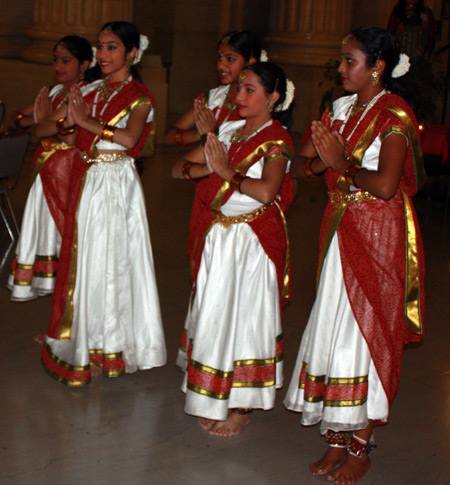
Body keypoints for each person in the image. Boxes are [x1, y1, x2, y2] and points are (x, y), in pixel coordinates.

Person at [284, 27, 425, 484]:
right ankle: (335, 440)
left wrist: (341, 162)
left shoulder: (394, 113)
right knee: (333, 329)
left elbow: (385, 185)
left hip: (379, 233)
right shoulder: (340, 108)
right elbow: (306, 162)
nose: (341, 69)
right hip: (341, 229)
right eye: (341, 60)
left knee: (364, 337)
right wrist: (323, 157)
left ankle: (361, 448)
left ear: (377, 67)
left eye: (349, 61)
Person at [38, 21, 166, 386]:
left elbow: (128, 137)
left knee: (111, 262)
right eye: (100, 46)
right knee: (84, 259)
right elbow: (54, 127)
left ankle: (111, 344)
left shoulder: (141, 96)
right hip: (88, 178)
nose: (102, 54)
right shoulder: (90, 88)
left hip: (115, 183)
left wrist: (86, 123)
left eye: (111, 47)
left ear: (131, 53)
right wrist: (53, 123)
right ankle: (82, 338)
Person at [172, 62, 296, 436]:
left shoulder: (278, 141)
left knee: (244, 320)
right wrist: (207, 168)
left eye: (250, 90)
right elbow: (179, 168)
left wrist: (223, 172)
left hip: (251, 242)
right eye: (238, 89)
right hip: (220, 237)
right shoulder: (229, 131)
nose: (238, 96)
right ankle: (213, 394)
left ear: (273, 98)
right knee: (215, 316)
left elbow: (265, 192)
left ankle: (242, 407)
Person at [8, 35, 98, 302]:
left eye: (66, 60)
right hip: (48, 169)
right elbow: (19, 117)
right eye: (56, 60)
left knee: (65, 233)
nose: (59, 66)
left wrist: (43, 122)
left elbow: (45, 128)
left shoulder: (86, 93)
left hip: (67, 171)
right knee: (44, 227)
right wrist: (38, 119)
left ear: (84, 64)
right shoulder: (55, 92)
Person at [163, 30, 264, 147]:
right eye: (220, 58)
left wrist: (212, 133)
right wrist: (199, 134)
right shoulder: (214, 98)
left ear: (250, 62)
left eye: (230, 59)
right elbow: (168, 137)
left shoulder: (258, 102)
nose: (221, 65)